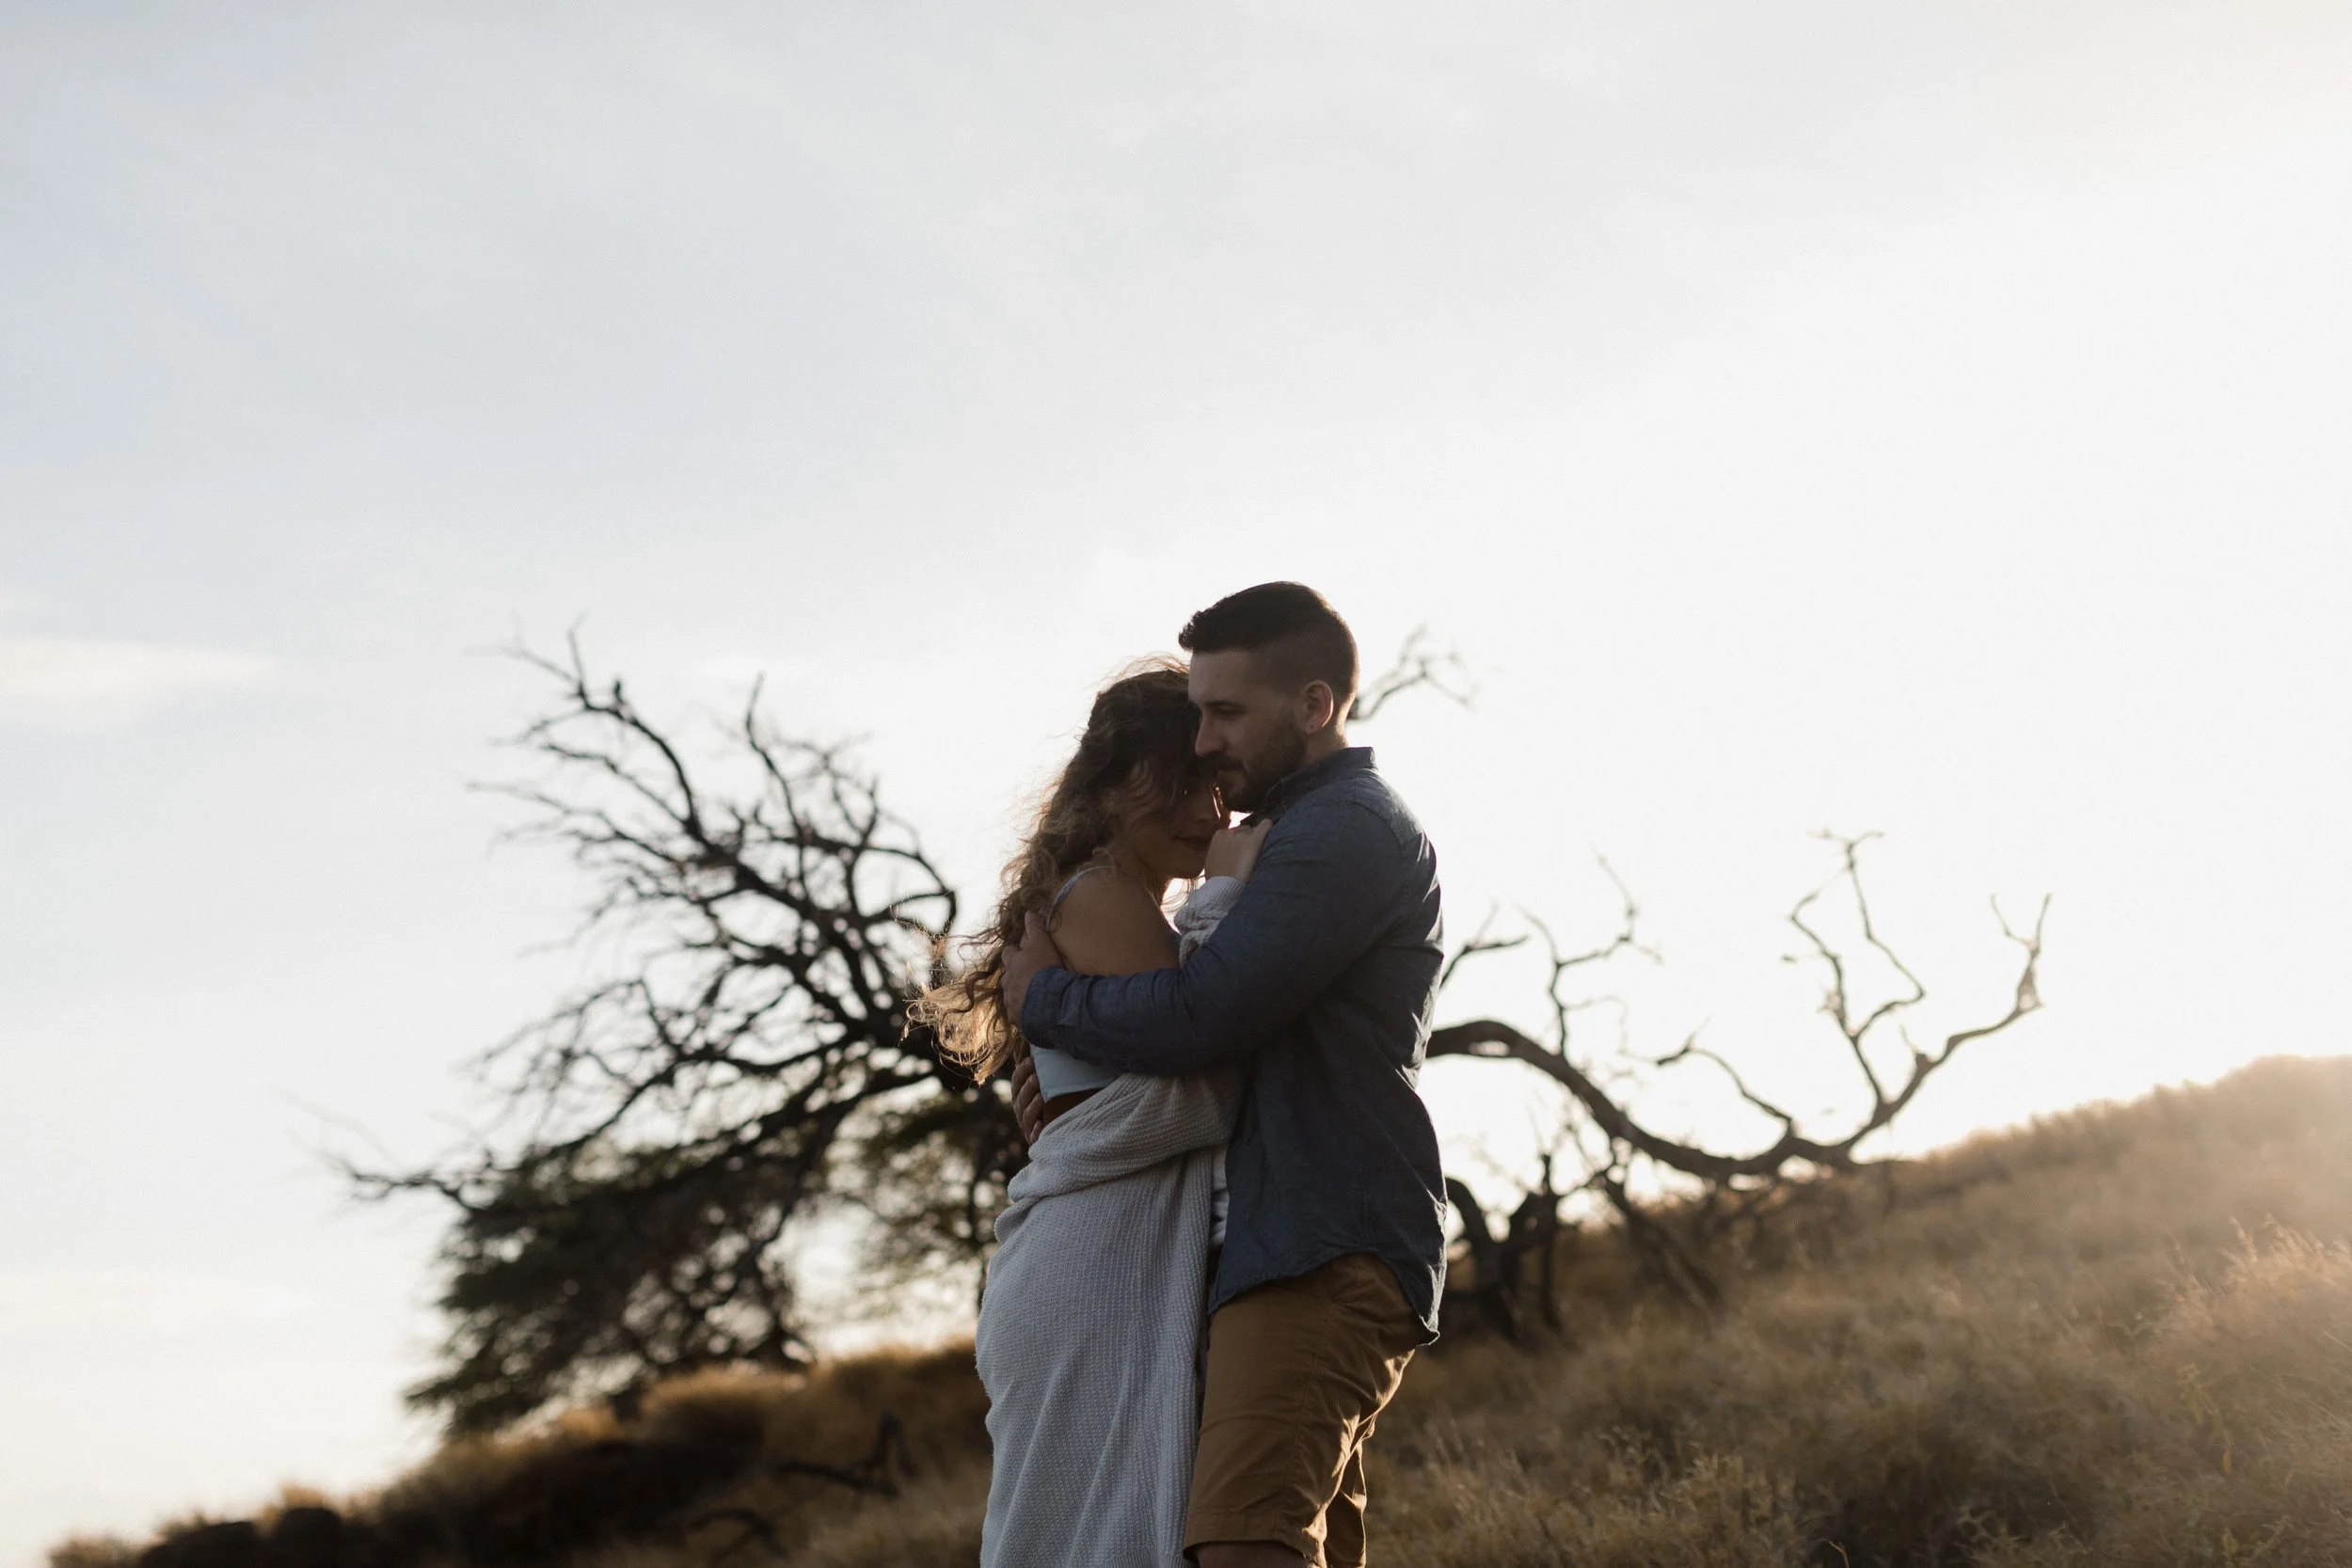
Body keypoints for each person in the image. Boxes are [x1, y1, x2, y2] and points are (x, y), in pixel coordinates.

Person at [1002, 582, 1448, 1568]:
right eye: (1196, 714)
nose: (1205, 742)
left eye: (1226, 713)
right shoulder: (1276, 837)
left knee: (1241, 1542)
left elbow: (1202, 1020)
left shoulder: (1338, 830)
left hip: (1318, 1239)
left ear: (1314, 703)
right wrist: (1073, 1096)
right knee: (1279, 1541)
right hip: (1277, 1246)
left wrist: (1047, 1006)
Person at [914, 658, 1271, 1568]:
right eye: (1180, 782)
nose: (1208, 812)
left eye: (1216, 784)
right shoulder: (1102, 894)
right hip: (1092, 1270)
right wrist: (1226, 897)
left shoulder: (1098, 896)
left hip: (1089, 1256)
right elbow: (1210, 1060)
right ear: (1114, 787)